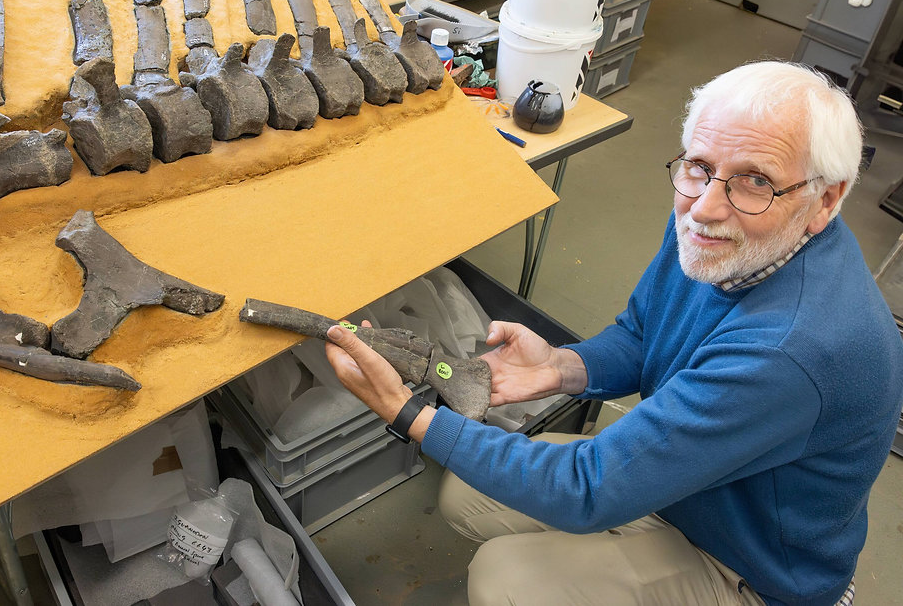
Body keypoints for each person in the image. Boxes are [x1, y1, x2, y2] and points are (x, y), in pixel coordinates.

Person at [324, 61, 903, 605]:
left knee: (507, 581)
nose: (704, 207)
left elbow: (586, 489)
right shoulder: (718, 226)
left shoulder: (792, 348)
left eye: (756, 180)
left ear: (825, 199)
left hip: (752, 562)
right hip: (695, 487)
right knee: (466, 496)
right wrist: (560, 365)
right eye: (699, 166)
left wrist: (407, 412)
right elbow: (641, 334)